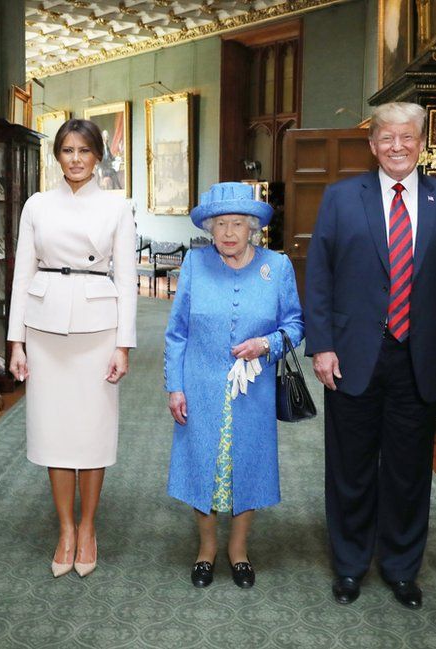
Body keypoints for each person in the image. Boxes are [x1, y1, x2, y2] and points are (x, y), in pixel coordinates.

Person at [304, 102, 436, 609]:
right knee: (350, 468)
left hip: (421, 358)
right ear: (372, 144)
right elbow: (320, 280)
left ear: (422, 143)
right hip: (352, 355)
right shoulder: (340, 199)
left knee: (408, 469)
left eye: (406, 137)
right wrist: (322, 346)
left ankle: (402, 567)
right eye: (386, 138)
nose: (396, 146)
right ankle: (351, 565)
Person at [7, 118, 137, 578]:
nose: (76, 158)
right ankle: (65, 529)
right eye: (67, 150)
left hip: (98, 329)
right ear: (57, 156)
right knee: (54, 433)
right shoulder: (37, 206)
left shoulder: (118, 207)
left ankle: (88, 527)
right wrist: (16, 341)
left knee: (92, 434)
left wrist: (124, 345)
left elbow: (127, 279)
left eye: (84, 150)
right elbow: (22, 275)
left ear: (98, 156)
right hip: (44, 330)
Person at [164, 182, 304, 589]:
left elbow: (295, 325)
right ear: (210, 227)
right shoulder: (194, 263)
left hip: (253, 391)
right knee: (200, 465)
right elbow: (177, 333)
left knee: (249, 466)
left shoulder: (277, 268)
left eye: (237, 224)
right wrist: (176, 386)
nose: (228, 232)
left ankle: (238, 550)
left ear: (253, 228)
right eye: (220, 223)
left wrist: (267, 343)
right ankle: (206, 549)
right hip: (200, 385)